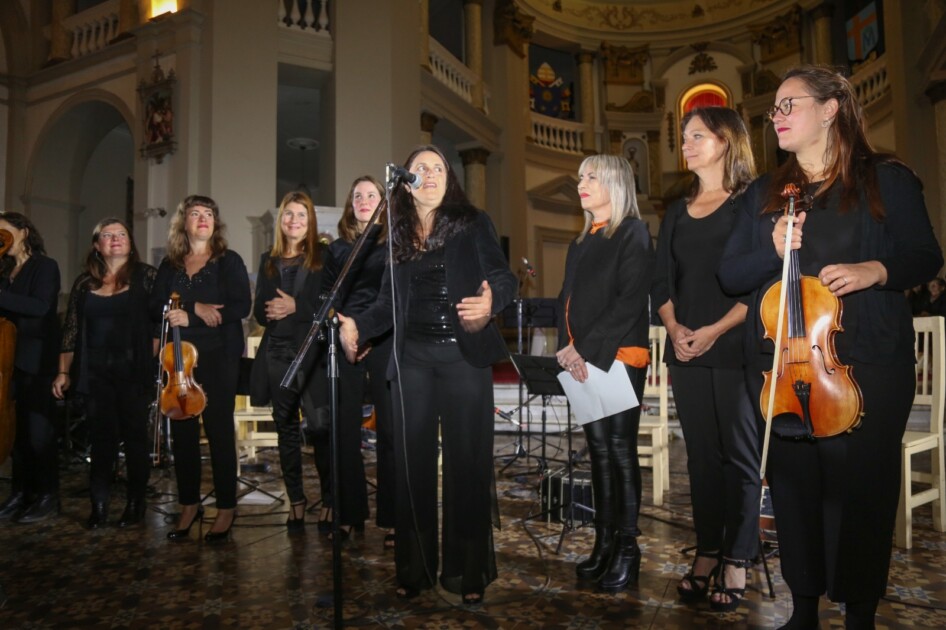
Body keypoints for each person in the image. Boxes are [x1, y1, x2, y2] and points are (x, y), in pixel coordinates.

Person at [718, 65, 943, 629]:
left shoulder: (885, 178)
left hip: (867, 362)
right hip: (787, 368)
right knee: (794, 491)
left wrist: (875, 270)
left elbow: (925, 255)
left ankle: (860, 613)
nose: (776, 117)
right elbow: (730, 273)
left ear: (830, 109)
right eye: (773, 109)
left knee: (861, 492)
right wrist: (771, 250)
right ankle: (803, 610)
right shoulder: (765, 194)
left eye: (788, 104)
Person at [338, 145, 517, 604]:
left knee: (466, 464)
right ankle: (414, 569)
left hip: (462, 358)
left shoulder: (472, 222)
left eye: (439, 167)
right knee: (410, 465)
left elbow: (504, 278)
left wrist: (491, 302)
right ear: (406, 181)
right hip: (412, 361)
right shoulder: (396, 234)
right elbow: (385, 305)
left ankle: (467, 572)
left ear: (449, 179)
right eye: (421, 168)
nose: (431, 173)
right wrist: (357, 326)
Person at [651, 107, 761, 610]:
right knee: (700, 458)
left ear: (726, 142)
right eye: (685, 136)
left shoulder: (750, 204)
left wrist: (715, 330)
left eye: (698, 136)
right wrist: (675, 329)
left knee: (739, 456)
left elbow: (763, 281)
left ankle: (738, 557)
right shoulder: (676, 211)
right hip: (686, 348)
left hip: (734, 345)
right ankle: (708, 550)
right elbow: (661, 280)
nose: (687, 144)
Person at [556, 154, 654, 593]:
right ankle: (604, 541)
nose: (582, 183)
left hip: (619, 356)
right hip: (582, 359)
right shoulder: (581, 241)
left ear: (615, 182)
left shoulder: (633, 232)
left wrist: (584, 347)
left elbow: (629, 300)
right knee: (597, 451)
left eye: (592, 176)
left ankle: (628, 549)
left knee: (618, 450)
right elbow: (565, 300)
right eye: (580, 177)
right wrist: (567, 348)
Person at [151, 195, 251, 544]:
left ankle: (226, 507)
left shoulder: (228, 261)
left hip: (219, 355)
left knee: (219, 430)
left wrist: (193, 315)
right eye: (195, 213)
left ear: (215, 222)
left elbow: (241, 305)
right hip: (179, 360)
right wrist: (195, 307)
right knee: (182, 434)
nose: (203, 218)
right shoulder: (170, 265)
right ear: (184, 223)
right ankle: (189, 504)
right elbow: (155, 305)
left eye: (208, 213)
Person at [52, 218, 157, 529]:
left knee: (135, 438)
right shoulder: (84, 283)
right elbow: (71, 332)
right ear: (97, 245)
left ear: (130, 243)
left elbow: (158, 324)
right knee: (101, 440)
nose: (115, 239)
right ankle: (98, 506)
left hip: (133, 371)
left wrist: (147, 359)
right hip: (95, 373)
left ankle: (136, 504)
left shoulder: (146, 277)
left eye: (121, 234)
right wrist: (63, 372)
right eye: (107, 235)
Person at [317, 175, 395, 544]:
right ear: (351, 204)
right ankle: (349, 513)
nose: (364, 200)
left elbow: (393, 297)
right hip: (344, 340)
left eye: (371, 195)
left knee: (390, 430)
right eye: (358, 195)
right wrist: (345, 330)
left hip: (385, 339)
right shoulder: (336, 249)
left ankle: (393, 517)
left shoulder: (395, 244)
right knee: (343, 430)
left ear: (383, 202)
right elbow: (327, 298)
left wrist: (368, 332)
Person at [248, 191, 325, 534]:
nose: (294, 221)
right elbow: (259, 312)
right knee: (286, 429)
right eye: (289, 215)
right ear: (281, 221)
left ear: (310, 222)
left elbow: (328, 304)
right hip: (277, 351)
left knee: (320, 428)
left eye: (301, 215)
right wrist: (270, 310)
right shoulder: (268, 259)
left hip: (311, 352)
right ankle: (296, 501)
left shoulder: (322, 257)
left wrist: (296, 307)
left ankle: (330, 499)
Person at [0, 213, 61, 524]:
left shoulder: (45, 266)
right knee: (16, 434)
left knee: (38, 434)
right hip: (7, 362)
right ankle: (21, 493)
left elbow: (40, 306)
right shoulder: (4, 270)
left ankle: (48, 496)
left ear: (23, 232)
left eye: (4, 230)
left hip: (37, 361)